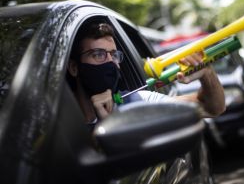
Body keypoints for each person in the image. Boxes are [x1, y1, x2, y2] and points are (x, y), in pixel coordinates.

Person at [67, 21, 225, 129]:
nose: (111, 62)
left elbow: (211, 108)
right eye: (98, 54)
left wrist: (207, 72)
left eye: (114, 55)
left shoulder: (137, 102)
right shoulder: (57, 123)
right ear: (74, 67)